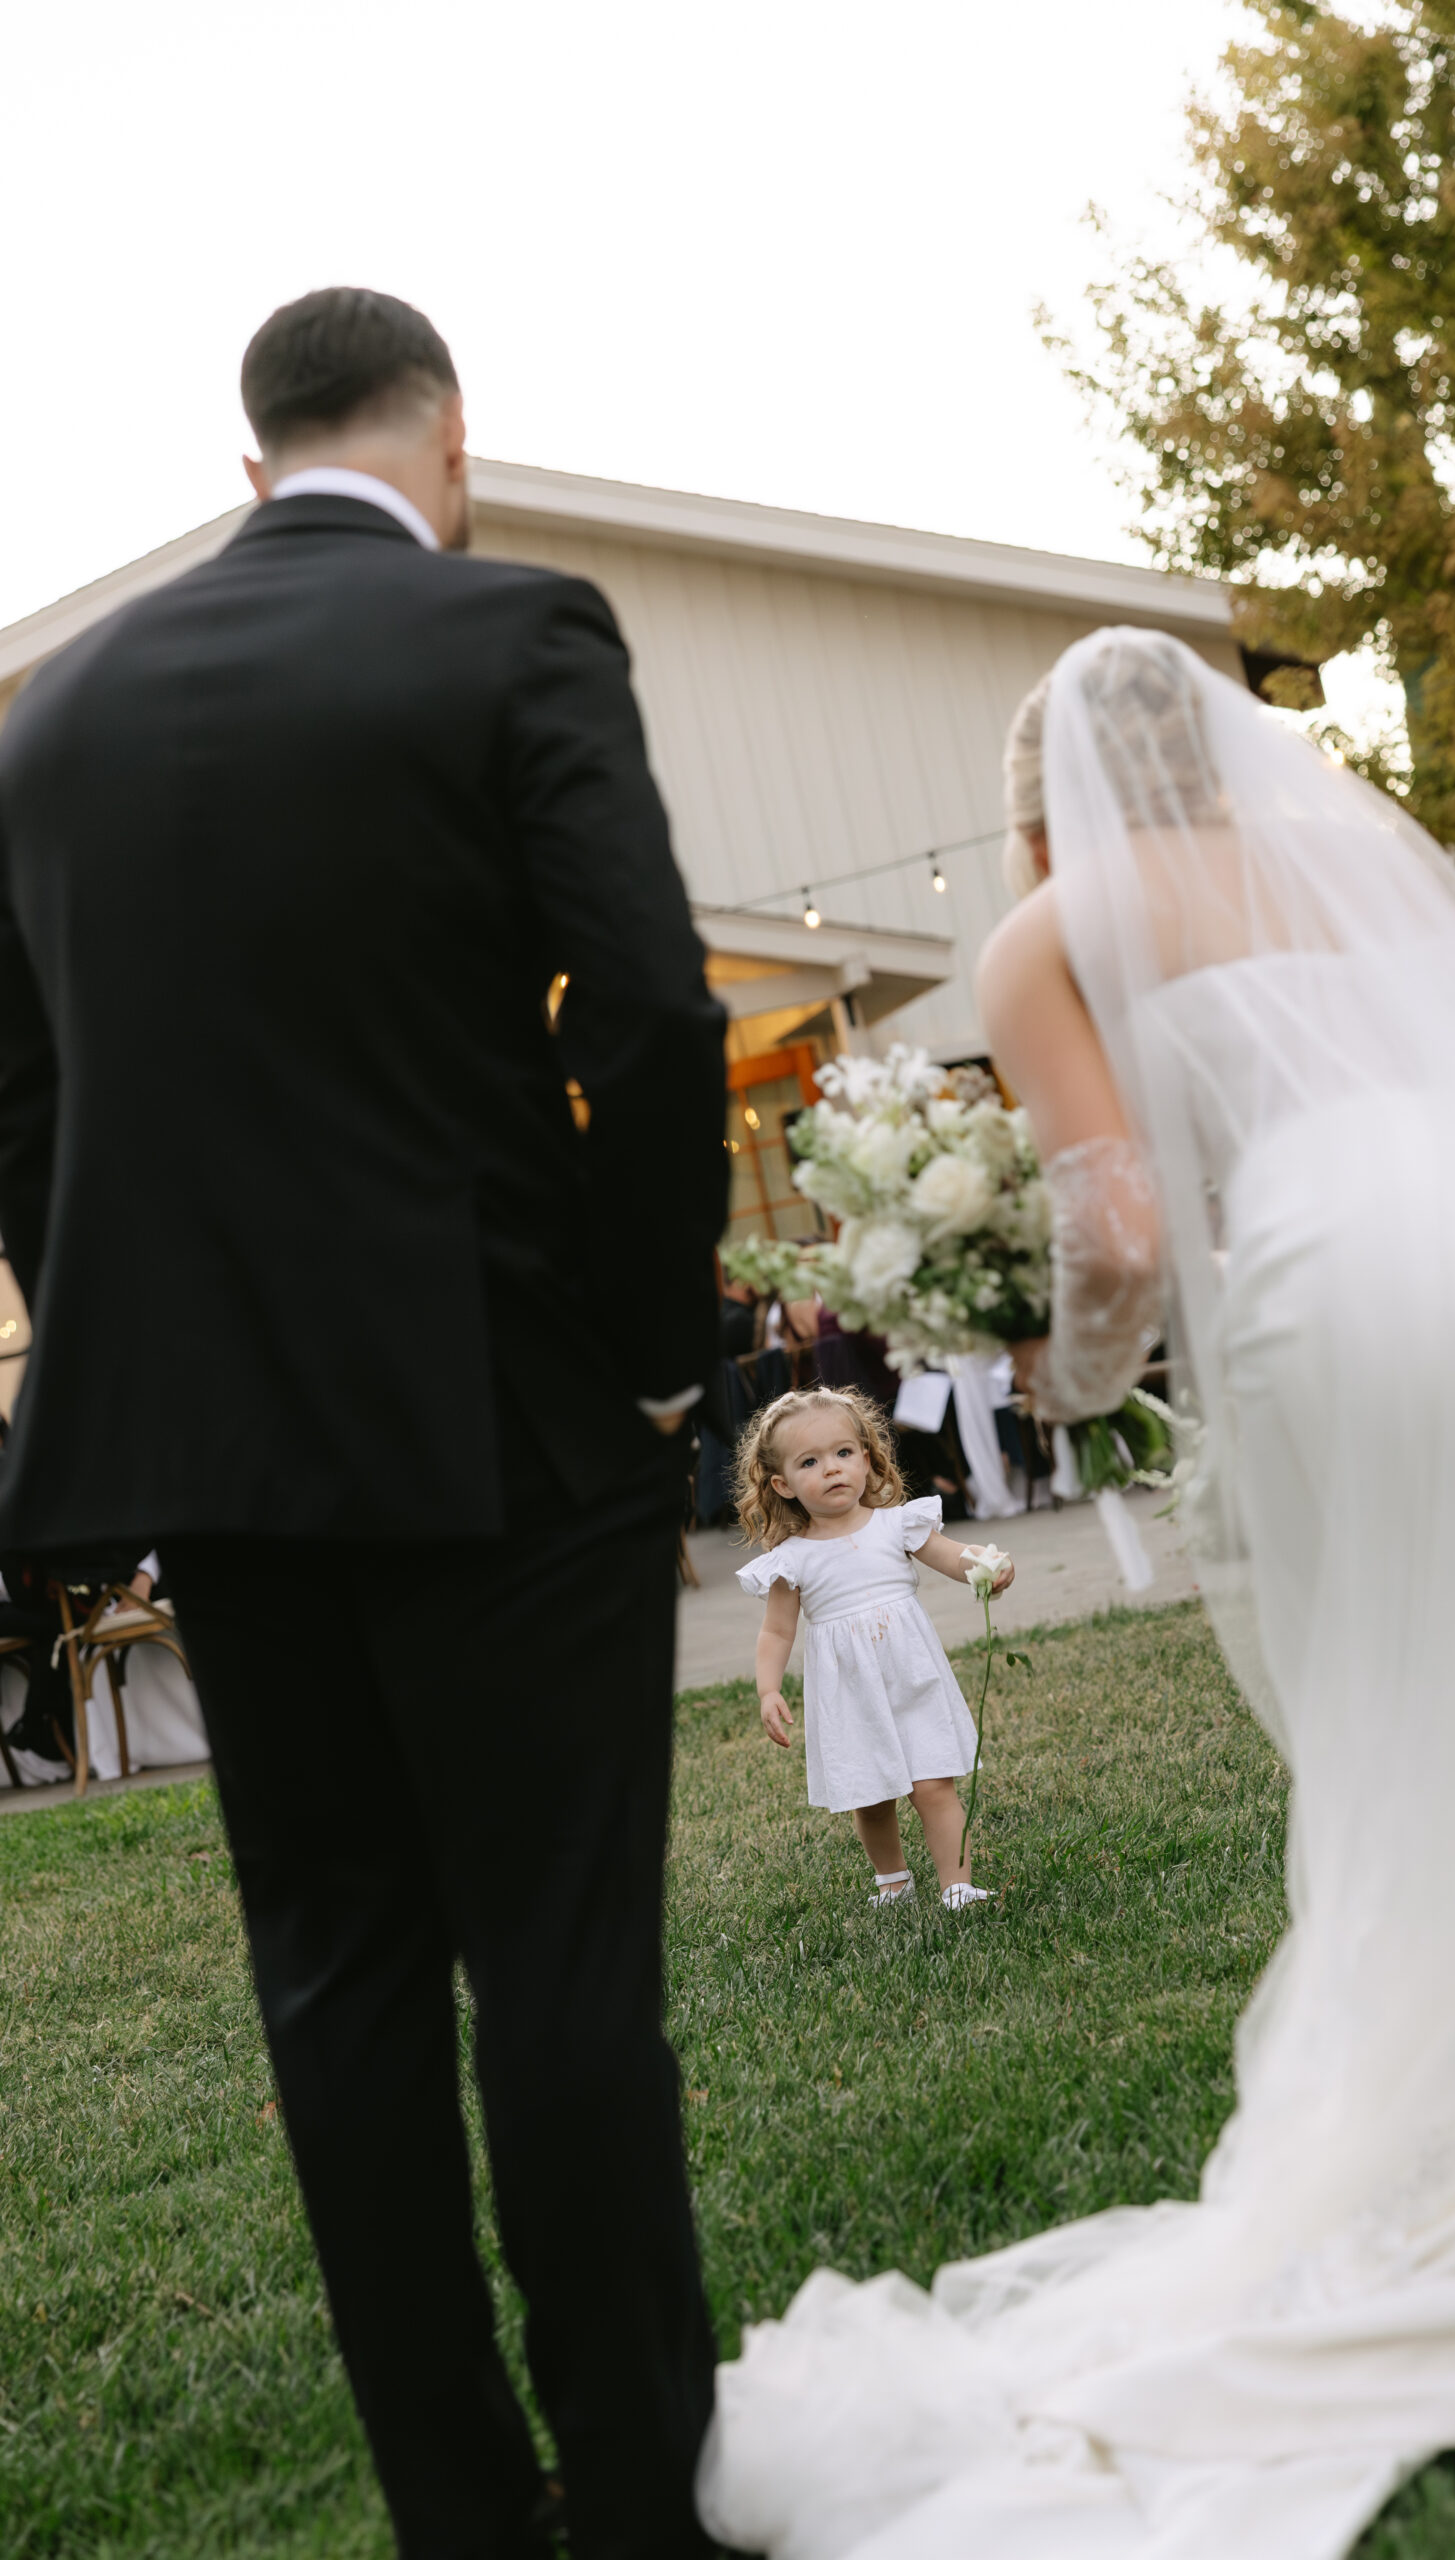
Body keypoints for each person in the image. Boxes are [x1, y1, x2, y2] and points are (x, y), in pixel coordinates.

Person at [698, 628, 1455, 2560]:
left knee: (1398, 1712)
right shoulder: (1342, 872)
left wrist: (1049, 1367)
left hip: (1381, 1284)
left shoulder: (1057, 922)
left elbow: (1127, 1230)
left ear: (1036, 806)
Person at [0, 287, 728, 2560]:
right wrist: (646, 1339)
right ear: (450, 444)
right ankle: (634, 2489)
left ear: (251, 466)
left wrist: (139, 1366)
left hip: (223, 1455)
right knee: (563, 1955)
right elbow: (645, 1006)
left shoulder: (51, 719)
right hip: (503, 1410)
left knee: (333, 1972)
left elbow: (25, 1099)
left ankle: (455, 2509)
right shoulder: (512, 631)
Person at [733, 1387, 1013, 1911]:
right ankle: (893, 1881)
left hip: (912, 1677)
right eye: (810, 1462)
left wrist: (986, 1565)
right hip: (850, 1692)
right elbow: (776, 1632)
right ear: (782, 1484)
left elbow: (954, 1556)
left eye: (843, 1453)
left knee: (934, 1785)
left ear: (866, 1457)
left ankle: (957, 1885)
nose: (832, 1469)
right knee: (872, 1795)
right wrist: (768, 1688)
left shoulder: (897, 1524)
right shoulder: (792, 1560)